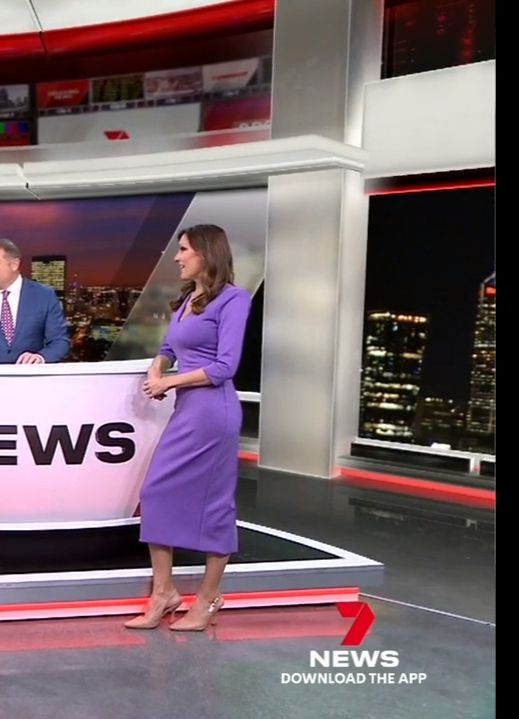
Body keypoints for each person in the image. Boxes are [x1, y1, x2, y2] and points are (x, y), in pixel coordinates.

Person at [125, 224, 251, 632]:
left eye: (183, 250)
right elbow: (168, 348)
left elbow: (225, 366)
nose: (177, 257)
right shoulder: (187, 300)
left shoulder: (233, 299)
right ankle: (164, 593)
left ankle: (209, 598)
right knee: (155, 492)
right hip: (187, 411)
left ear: (206, 253)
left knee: (214, 503)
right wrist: (157, 367)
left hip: (214, 413)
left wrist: (169, 382)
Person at [0, 238, 70, 364]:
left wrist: (41, 357)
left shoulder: (44, 295)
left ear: (14, 264)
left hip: (30, 374)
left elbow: (60, 341)